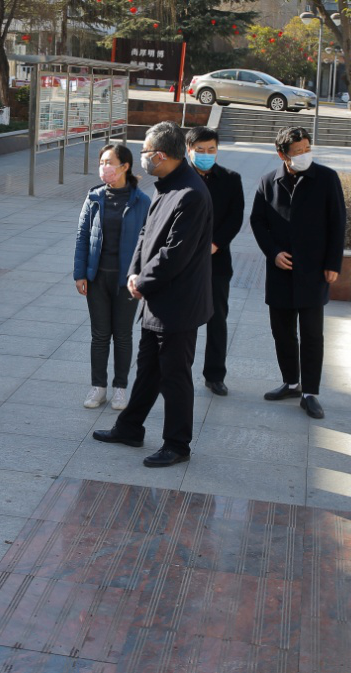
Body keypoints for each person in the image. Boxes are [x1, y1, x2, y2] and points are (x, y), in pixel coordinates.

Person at [92, 121, 214, 468]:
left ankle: (177, 444)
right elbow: (146, 234)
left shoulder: (190, 193)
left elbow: (175, 253)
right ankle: (130, 427)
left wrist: (142, 282)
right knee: (148, 368)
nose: (143, 157)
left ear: (160, 155)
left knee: (175, 375)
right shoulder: (167, 185)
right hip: (155, 297)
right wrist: (134, 273)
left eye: (145, 152)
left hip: (178, 303)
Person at [250, 126, 346, 419]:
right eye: (297, 151)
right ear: (282, 155)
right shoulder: (268, 182)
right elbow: (257, 222)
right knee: (282, 332)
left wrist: (333, 264)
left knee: (312, 334)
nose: (304, 155)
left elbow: (338, 223)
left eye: (307, 149)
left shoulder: (326, 178)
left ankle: (310, 393)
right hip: (280, 271)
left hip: (314, 270)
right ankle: (291, 383)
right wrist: (273, 253)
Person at [73, 144, 150, 411]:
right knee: (99, 335)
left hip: (126, 281)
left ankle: (120, 388)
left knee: (123, 335)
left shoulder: (142, 201)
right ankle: (98, 387)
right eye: (101, 162)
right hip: (97, 279)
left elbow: (148, 242)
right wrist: (80, 274)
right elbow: (82, 236)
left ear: (125, 166)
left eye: (109, 162)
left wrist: (142, 277)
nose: (104, 167)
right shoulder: (94, 197)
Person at [185, 126, 244, 397]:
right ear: (189, 150)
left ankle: (215, 375)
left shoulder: (231, 179)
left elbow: (235, 217)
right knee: (184, 321)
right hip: (183, 262)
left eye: (211, 149)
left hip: (216, 261)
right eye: (200, 150)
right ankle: (180, 371)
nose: (206, 154)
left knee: (217, 319)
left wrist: (215, 244)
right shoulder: (178, 178)